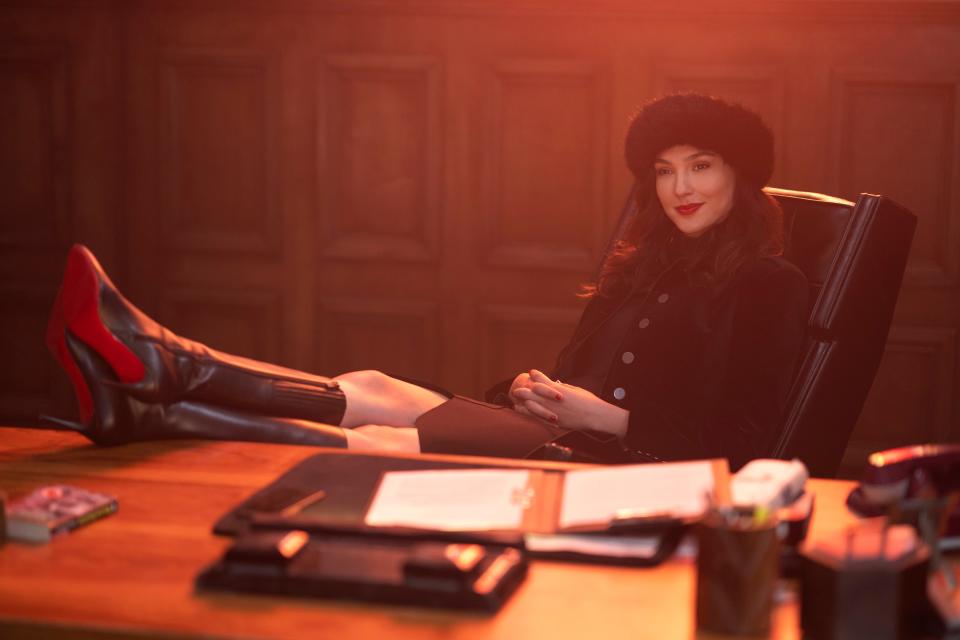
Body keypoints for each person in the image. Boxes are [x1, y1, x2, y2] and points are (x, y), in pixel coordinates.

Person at [42, 93, 808, 469]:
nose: (682, 188)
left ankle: (160, 400)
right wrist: (527, 388)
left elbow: (745, 445)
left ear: (741, 176)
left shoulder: (766, 286)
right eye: (667, 171)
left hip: (625, 480)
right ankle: (163, 376)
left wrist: (607, 421)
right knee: (369, 380)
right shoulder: (641, 266)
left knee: (378, 435)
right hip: (558, 440)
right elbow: (576, 377)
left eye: (701, 166)